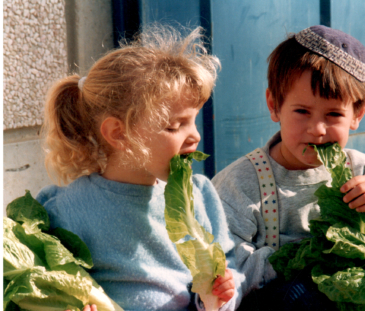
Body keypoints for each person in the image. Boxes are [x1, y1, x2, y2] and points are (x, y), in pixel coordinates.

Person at [211, 25, 365, 310]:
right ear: (274, 105)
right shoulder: (240, 184)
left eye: (334, 114)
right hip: (286, 298)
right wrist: (307, 255)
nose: (317, 129)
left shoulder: (359, 169)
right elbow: (225, 269)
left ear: (357, 114)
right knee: (299, 297)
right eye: (302, 112)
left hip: (357, 289)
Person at [36, 24, 242, 311]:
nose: (195, 135)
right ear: (119, 134)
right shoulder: (65, 210)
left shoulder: (200, 196)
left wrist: (221, 295)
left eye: (193, 120)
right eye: (174, 126)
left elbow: (230, 270)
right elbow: (50, 287)